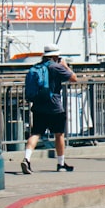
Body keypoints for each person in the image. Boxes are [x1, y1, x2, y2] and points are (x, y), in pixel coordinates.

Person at [21, 44, 79, 174]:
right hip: (54, 107)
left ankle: (27, 158)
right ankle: (61, 164)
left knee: (35, 133)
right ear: (55, 56)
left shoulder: (37, 67)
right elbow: (74, 78)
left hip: (38, 105)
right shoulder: (57, 67)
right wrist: (65, 65)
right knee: (59, 134)